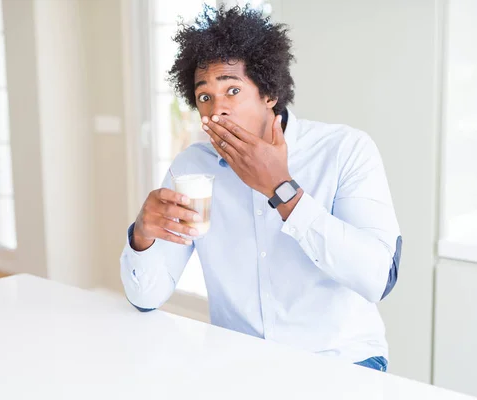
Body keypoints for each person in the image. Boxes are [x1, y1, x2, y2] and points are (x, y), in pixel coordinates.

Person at [120, 5, 402, 373]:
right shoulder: (192, 168)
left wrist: (281, 189)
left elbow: (378, 278)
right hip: (239, 364)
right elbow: (146, 297)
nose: (215, 112)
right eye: (205, 97)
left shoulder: (345, 150)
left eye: (232, 90)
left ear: (269, 92)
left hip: (342, 363)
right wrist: (142, 236)